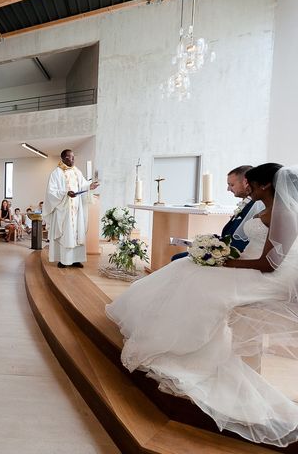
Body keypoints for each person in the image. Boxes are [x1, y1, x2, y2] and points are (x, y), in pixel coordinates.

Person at [107, 163, 298, 447]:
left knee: (202, 284)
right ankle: (164, 332)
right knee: (186, 267)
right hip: (252, 266)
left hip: (268, 276)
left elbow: (270, 264)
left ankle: (184, 347)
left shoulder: (287, 214)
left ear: (266, 185)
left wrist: (225, 262)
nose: (249, 189)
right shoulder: (263, 207)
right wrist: (219, 255)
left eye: (253, 185)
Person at [172, 165, 255, 261]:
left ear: (246, 183)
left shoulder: (254, 207)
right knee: (177, 258)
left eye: (231, 185)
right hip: (223, 249)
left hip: (232, 255)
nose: (228, 189)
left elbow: (241, 242)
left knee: (177, 259)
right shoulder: (245, 204)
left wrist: (215, 251)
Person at [44, 149, 99, 268]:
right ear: (63, 158)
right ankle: (63, 260)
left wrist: (90, 186)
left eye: (73, 157)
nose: (72, 159)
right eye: (69, 157)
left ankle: (75, 259)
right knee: (65, 234)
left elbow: (83, 184)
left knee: (77, 233)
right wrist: (66, 193)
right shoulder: (56, 173)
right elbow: (51, 192)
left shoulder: (76, 171)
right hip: (64, 210)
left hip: (76, 209)